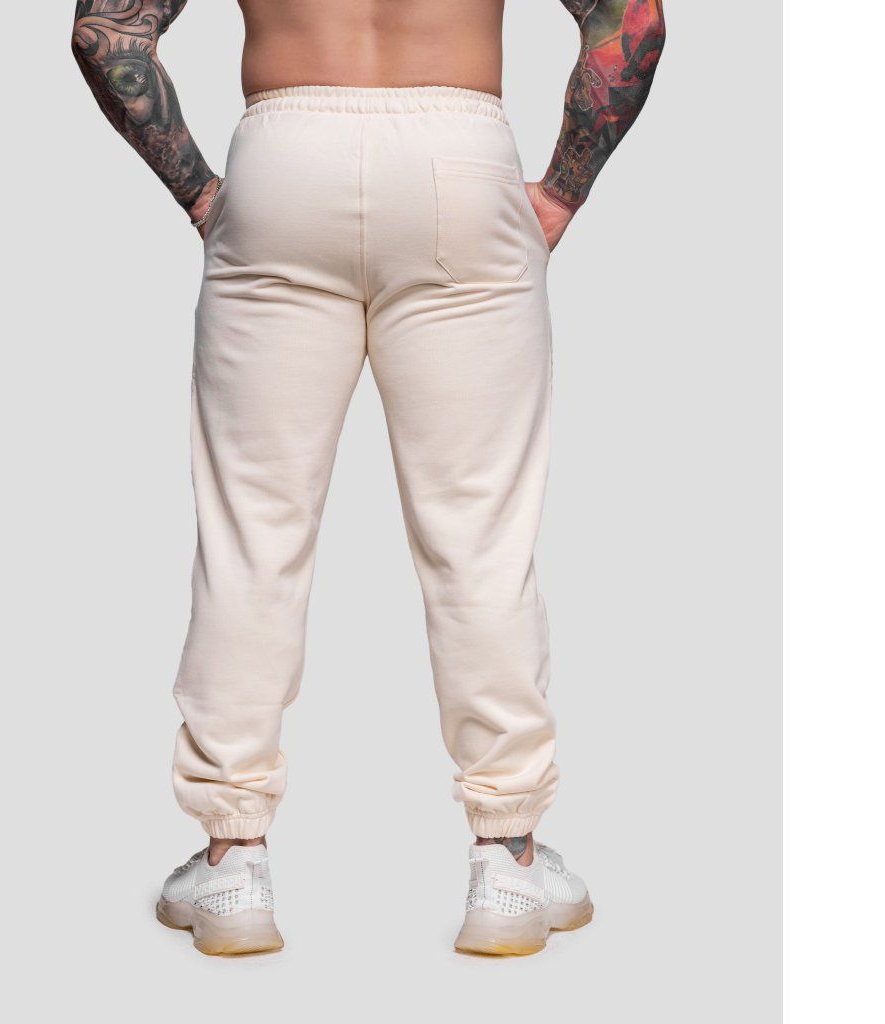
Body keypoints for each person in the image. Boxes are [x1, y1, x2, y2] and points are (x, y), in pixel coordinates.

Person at [72, 0, 665, 957]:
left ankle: (232, 861)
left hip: (285, 160)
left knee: (253, 525)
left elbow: (107, 31)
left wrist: (203, 193)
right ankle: (508, 858)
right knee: (479, 530)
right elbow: (630, 22)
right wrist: (560, 192)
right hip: (456, 158)